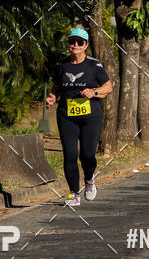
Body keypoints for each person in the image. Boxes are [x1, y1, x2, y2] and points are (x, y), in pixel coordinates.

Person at [46, 27, 112, 207]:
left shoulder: (94, 65)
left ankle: (89, 179)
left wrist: (94, 91)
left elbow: (108, 87)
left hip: (91, 116)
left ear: (86, 45)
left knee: (87, 155)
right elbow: (56, 87)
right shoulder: (61, 65)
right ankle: (74, 194)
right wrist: (52, 97)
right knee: (70, 154)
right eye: (72, 42)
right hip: (67, 116)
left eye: (79, 42)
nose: (75, 45)